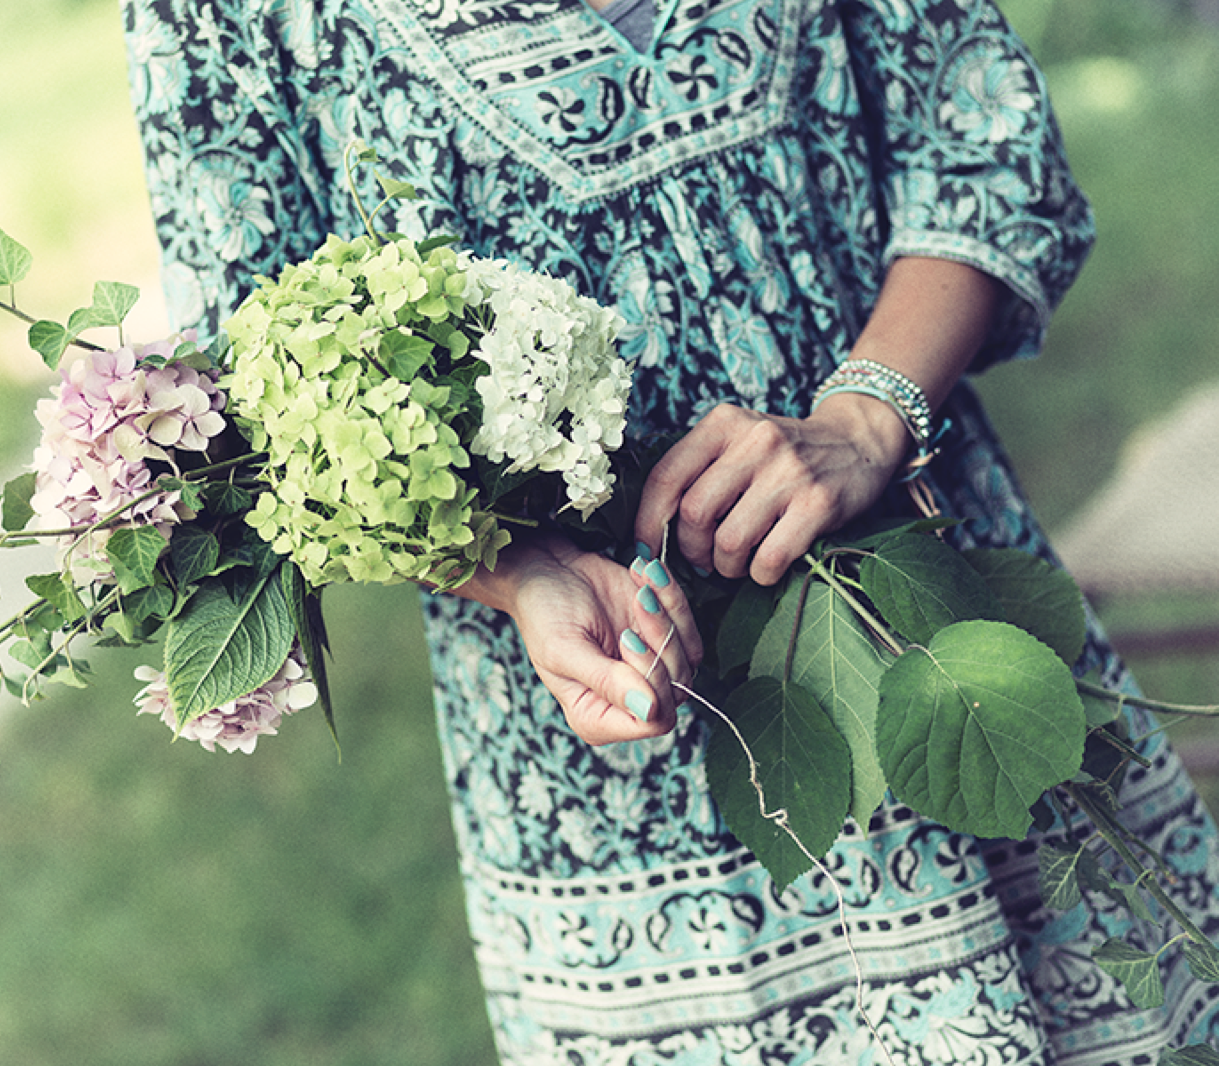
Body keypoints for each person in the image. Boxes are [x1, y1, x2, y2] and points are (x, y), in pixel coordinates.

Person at [121, 0, 1219, 1060]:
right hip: (608, 740)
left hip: (936, 610)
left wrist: (868, 414)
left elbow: (979, 145)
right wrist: (521, 572)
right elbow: (250, 392)